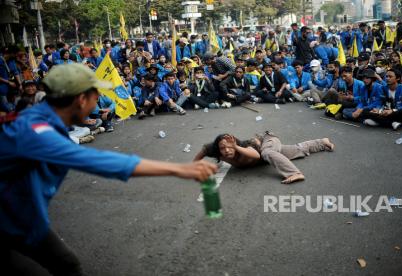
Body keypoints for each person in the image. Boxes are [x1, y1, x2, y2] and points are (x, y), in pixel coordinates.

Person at [0, 63, 217, 275]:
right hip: (12, 218)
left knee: (63, 264)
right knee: (66, 265)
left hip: (20, 217)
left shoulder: (43, 121)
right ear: (81, 99)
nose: (97, 105)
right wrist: (179, 169)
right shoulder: (37, 132)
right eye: (96, 97)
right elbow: (96, 160)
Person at [193, 131, 334, 184]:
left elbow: (256, 154)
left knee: (266, 153)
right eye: (223, 148)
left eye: (230, 146)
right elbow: (201, 154)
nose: (227, 150)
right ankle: (323, 142)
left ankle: (295, 173)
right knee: (298, 150)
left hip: (268, 142)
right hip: (271, 155)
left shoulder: (246, 146)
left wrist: (235, 147)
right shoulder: (213, 149)